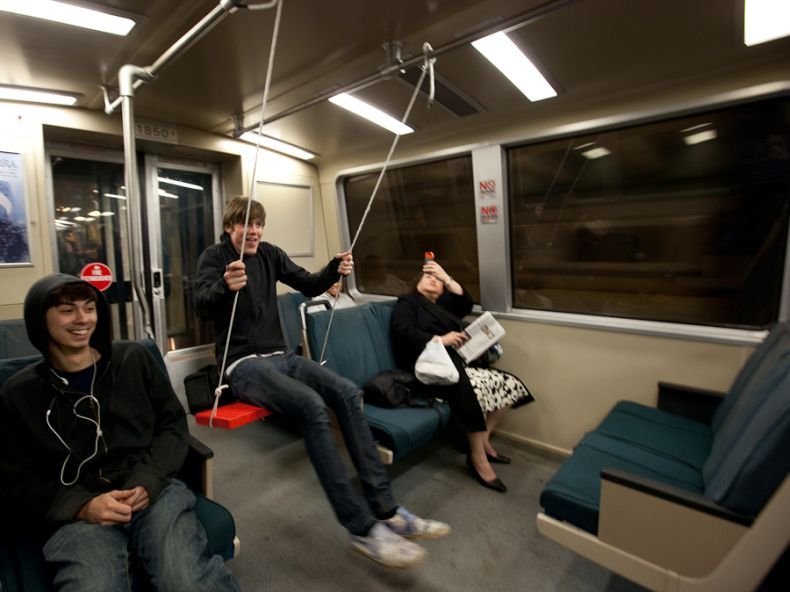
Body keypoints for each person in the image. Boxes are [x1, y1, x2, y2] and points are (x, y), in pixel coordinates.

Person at [193, 197, 450, 569]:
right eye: (246, 224)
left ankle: (387, 509)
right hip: (242, 364)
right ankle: (361, 529)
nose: (254, 231)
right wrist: (223, 285)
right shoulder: (214, 259)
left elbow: (310, 285)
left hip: (283, 356)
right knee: (312, 407)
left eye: (260, 224)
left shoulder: (269, 254)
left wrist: (334, 268)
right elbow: (201, 305)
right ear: (230, 226)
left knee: (347, 392)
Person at [0, 274, 240, 591]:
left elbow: (172, 427)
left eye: (89, 308)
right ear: (39, 320)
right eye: (67, 310)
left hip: (150, 492)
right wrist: (81, 506)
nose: (82, 318)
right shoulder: (19, 394)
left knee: (183, 578)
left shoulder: (132, 360)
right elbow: (16, 480)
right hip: (78, 511)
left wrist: (148, 479)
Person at [390, 259, 534, 493]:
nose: (433, 280)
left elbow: (464, 301)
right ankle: (477, 457)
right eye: (428, 277)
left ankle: (484, 439)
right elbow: (402, 332)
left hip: (455, 363)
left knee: (510, 385)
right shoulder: (408, 303)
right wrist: (440, 339)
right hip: (428, 367)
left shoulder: (443, 306)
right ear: (416, 284)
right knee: (467, 387)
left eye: (438, 281)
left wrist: (446, 277)